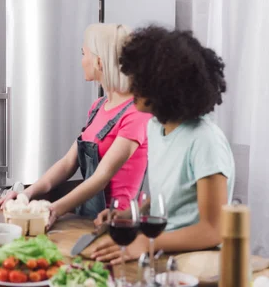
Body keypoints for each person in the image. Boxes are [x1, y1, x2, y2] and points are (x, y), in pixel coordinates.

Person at [90, 26, 235, 264]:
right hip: (162, 252)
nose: (132, 86)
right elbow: (169, 197)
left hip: (199, 261)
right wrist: (129, 216)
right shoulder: (155, 127)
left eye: (142, 81)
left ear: (166, 86)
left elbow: (213, 229)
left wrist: (146, 243)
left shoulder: (205, 140)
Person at [0, 24, 152, 225]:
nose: (81, 60)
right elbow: (67, 163)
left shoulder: (136, 114)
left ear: (99, 62)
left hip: (117, 224)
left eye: (83, 53)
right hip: (87, 218)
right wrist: (26, 193)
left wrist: (52, 210)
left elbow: (101, 177)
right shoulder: (98, 106)